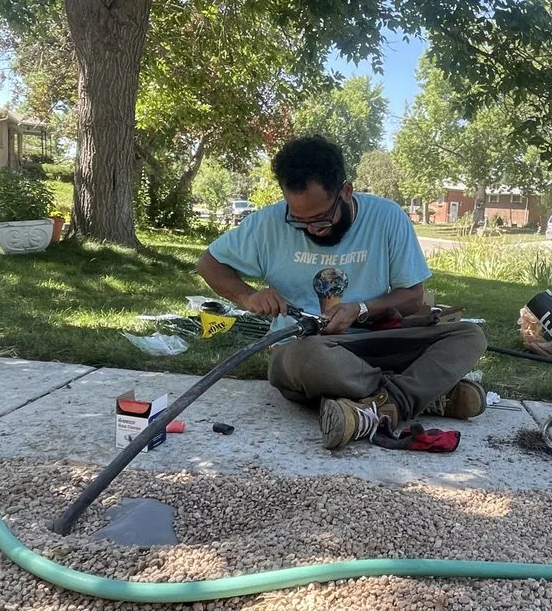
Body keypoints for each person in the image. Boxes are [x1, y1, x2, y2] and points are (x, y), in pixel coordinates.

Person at [196, 135, 488, 449]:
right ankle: (417, 394)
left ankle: (375, 405)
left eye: (321, 218)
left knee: (469, 336)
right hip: (307, 350)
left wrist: (361, 310)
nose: (312, 229)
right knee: (305, 358)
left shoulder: (386, 217)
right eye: (298, 220)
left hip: (374, 341)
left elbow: (413, 297)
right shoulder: (268, 223)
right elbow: (208, 264)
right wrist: (248, 296)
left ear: (346, 191)